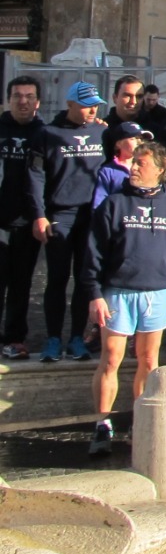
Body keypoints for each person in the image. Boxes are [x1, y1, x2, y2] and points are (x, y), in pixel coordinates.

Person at [85, 142, 166, 456]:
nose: (133, 167)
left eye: (140, 163)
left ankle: (141, 422)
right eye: (133, 162)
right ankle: (102, 424)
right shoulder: (114, 204)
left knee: (148, 361)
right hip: (117, 292)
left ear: (160, 169)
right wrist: (94, 295)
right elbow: (93, 253)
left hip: (156, 293)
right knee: (111, 359)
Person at [24, 80, 108, 363]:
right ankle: (52, 339)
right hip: (61, 214)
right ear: (70, 104)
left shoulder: (101, 131)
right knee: (57, 278)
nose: (92, 110)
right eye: (86, 106)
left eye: (95, 105)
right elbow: (35, 176)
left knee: (86, 280)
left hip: (92, 215)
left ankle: (76, 338)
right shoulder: (47, 133)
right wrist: (39, 214)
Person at [0, 76, 43, 361]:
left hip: (28, 223)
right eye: (17, 96)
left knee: (21, 284)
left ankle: (14, 339)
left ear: (38, 102)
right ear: (8, 99)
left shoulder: (45, 132)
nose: (23, 101)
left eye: (29, 96)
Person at [99, 76, 145, 158]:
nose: (133, 101)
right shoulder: (103, 129)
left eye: (139, 96)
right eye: (127, 95)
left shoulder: (154, 129)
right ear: (115, 98)